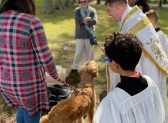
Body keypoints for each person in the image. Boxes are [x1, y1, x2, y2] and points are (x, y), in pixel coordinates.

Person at [0, 0, 73, 123]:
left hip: (6, 84)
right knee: (32, 112)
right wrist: (55, 75)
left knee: (22, 108)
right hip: (28, 86)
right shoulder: (31, 21)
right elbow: (45, 57)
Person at [104, 0, 168, 121]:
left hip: (146, 73)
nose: (109, 14)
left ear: (117, 7)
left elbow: (129, 56)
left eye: (109, 10)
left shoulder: (132, 23)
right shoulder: (133, 17)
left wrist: (111, 53)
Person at [94, 32, 165, 123]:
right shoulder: (151, 83)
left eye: (107, 59)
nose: (107, 61)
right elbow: (160, 114)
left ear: (115, 64)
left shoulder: (112, 101)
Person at [71, 0, 97, 72]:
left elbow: (94, 21)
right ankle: (75, 68)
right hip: (79, 35)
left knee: (89, 53)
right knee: (78, 52)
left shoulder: (92, 10)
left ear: (88, 1)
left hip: (90, 35)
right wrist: (87, 19)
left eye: (84, 1)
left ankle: (88, 68)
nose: (83, 3)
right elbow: (77, 19)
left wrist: (83, 21)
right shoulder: (77, 10)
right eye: (81, 2)